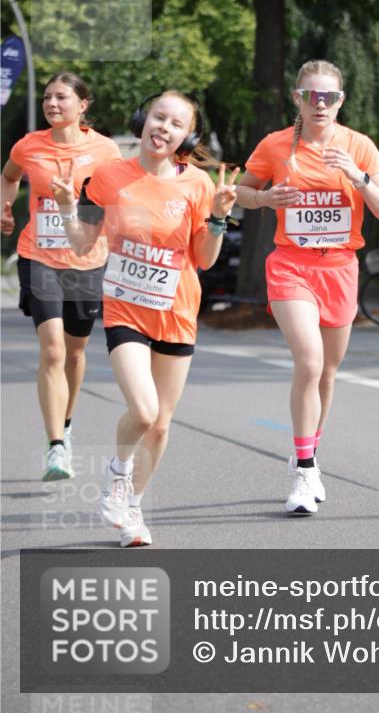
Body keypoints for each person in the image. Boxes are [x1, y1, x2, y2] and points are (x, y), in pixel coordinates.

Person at [51, 90, 238, 547]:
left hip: (176, 310)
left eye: (176, 124)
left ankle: (132, 507)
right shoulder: (107, 178)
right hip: (125, 308)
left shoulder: (198, 184)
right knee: (144, 408)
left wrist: (217, 219)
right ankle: (118, 475)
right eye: (159, 117)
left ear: (185, 136)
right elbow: (80, 244)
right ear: (143, 119)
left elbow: (205, 260)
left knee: (161, 423)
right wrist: (65, 207)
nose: (164, 128)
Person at [236, 59, 379, 515]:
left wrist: (358, 176)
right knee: (308, 362)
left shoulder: (359, 146)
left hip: (341, 267)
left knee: (327, 374)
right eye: (311, 96)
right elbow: (243, 194)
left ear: (340, 100)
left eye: (328, 96)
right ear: (298, 99)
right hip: (291, 266)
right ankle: (303, 471)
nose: (319, 104)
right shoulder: (275, 146)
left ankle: (308, 453)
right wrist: (265, 198)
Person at [0, 72, 122, 481]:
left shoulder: (105, 150)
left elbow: (122, 195)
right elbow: (9, 176)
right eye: (48, 97)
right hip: (39, 257)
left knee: (74, 352)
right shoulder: (28, 145)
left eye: (62, 97)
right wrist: (5, 206)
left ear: (82, 105)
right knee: (51, 350)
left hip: (87, 260)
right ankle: (55, 448)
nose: (52, 104)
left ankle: (66, 426)